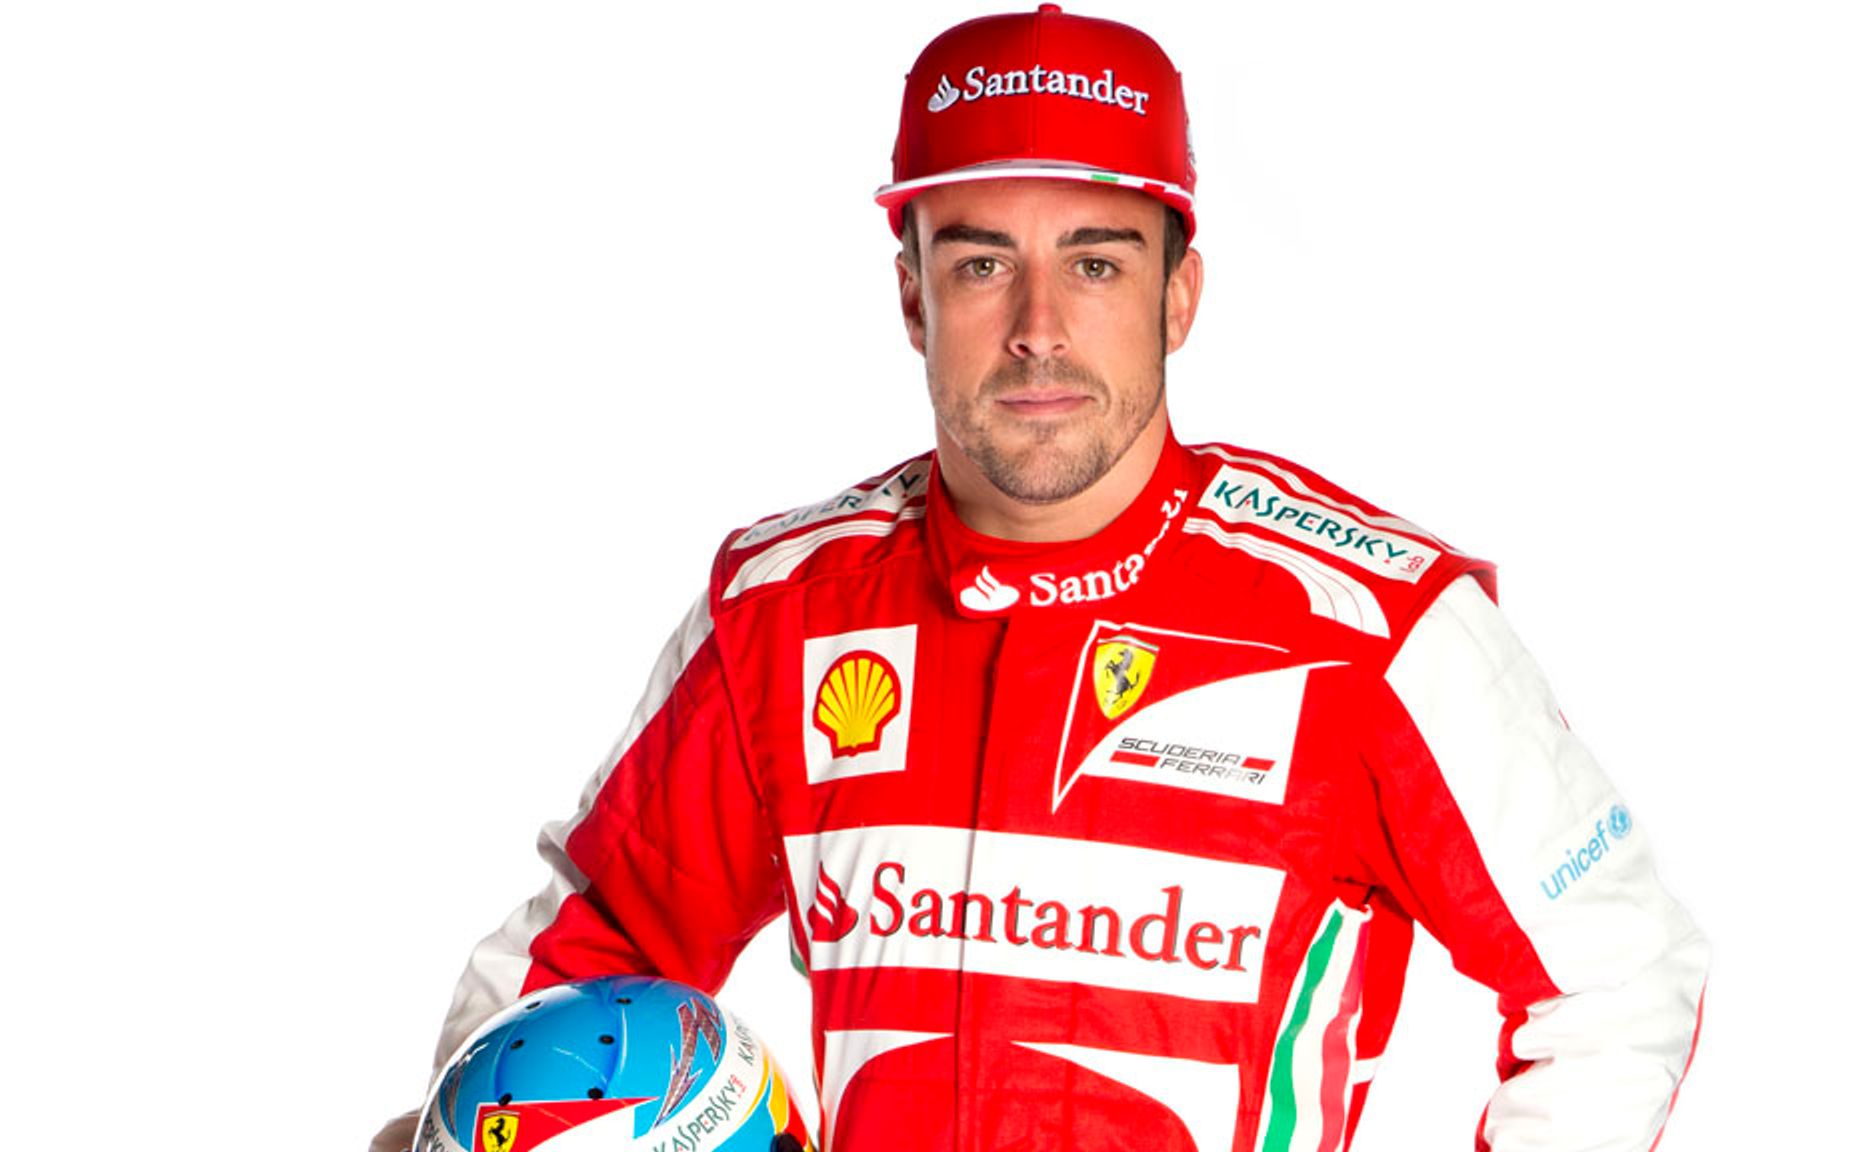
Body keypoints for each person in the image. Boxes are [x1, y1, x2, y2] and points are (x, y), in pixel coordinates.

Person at [375, 6, 1707, 1151]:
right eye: (980, 264)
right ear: (913, 298)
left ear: (1179, 295)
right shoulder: (785, 612)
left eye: (1096, 261)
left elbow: (1618, 976)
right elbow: (591, 953)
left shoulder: (1369, 628)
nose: (1038, 328)